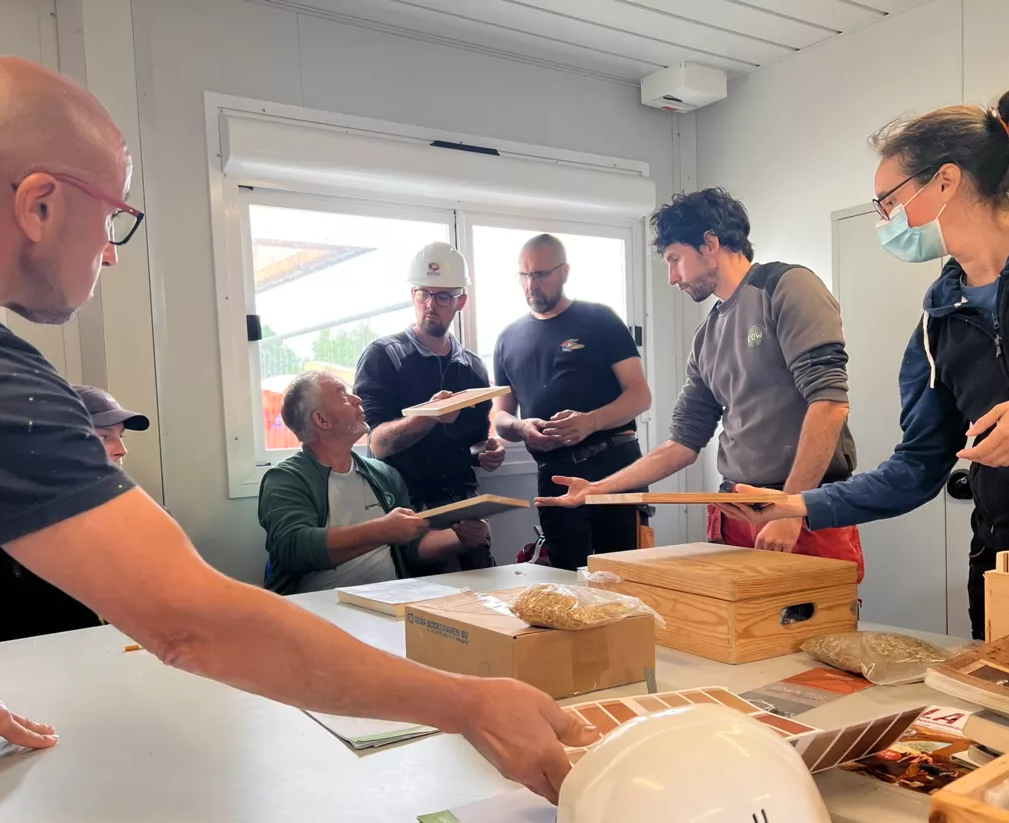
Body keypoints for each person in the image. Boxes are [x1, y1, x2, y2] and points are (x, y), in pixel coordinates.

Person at [0, 56, 592, 800]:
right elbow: (187, 620)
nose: (113, 252)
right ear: (41, 205)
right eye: (114, 216)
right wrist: (468, 703)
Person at [725, 87, 1009, 639]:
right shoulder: (938, 321)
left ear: (945, 181)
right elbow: (916, 466)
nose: (884, 220)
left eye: (888, 200)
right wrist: (798, 505)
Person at [537, 190, 864, 573]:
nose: (673, 278)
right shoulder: (707, 334)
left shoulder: (787, 286)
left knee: (815, 632)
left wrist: (790, 509)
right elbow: (682, 443)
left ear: (709, 243)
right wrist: (599, 488)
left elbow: (829, 403)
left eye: (675, 260)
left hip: (804, 506)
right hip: (735, 509)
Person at [491, 233, 652, 570]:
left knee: (623, 575)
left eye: (541, 274)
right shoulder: (507, 339)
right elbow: (500, 417)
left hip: (614, 465)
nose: (531, 285)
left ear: (565, 272)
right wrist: (520, 427)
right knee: (567, 580)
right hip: (555, 472)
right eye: (524, 276)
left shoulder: (600, 320)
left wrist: (590, 422)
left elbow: (640, 395)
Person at [259, 370, 490, 593]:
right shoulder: (285, 479)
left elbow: (411, 549)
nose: (357, 398)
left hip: (388, 605)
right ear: (321, 419)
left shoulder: (384, 474)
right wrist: (382, 530)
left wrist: (461, 537)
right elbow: (293, 548)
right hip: (317, 613)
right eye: (342, 395)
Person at [0, 385, 149, 645]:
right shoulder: (9, 524)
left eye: (121, 436)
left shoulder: (130, 513)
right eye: (103, 437)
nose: (121, 449)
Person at [354, 242, 503, 571]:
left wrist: (488, 451)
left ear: (460, 301)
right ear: (412, 295)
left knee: (485, 598)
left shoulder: (474, 367)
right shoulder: (383, 356)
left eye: (443, 297)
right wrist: (429, 418)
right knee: (419, 605)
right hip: (407, 506)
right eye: (423, 294)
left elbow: (477, 440)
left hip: (465, 504)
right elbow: (377, 444)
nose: (430, 305)